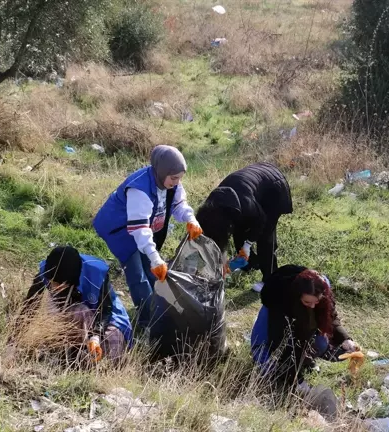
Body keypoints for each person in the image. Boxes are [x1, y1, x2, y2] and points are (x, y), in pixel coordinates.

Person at [93, 145, 202, 329]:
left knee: (152, 269)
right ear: (162, 171)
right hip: (120, 230)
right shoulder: (139, 189)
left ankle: (158, 307)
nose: (176, 182)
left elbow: (178, 204)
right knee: (137, 275)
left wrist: (191, 219)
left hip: (140, 228)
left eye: (179, 178)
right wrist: (155, 257)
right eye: (174, 178)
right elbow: (139, 229)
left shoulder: (169, 181)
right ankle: (147, 321)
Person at [250, 265, 358, 418]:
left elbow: (331, 318)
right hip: (272, 320)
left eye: (316, 302)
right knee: (268, 368)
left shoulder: (321, 292)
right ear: (298, 296)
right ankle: (282, 370)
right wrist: (297, 381)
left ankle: (303, 364)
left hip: (298, 315)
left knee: (320, 344)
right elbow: (282, 343)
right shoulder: (282, 302)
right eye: (308, 302)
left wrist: (346, 340)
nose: (313, 306)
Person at [17, 246, 132, 364]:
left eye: (58, 284)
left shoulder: (96, 273)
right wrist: (13, 343)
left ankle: (86, 359)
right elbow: (29, 306)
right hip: (77, 315)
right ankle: (72, 356)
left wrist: (96, 336)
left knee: (111, 351)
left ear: (71, 280)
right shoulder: (47, 271)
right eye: (51, 283)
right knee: (79, 311)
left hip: (108, 320)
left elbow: (106, 310)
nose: (53, 287)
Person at [196, 162, 292, 292]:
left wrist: (248, 245)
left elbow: (260, 221)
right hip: (253, 183)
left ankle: (269, 281)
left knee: (266, 237)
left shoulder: (246, 205)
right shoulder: (209, 209)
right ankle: (249, 264)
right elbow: (217, 235)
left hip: (273, 188)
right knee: (239, 232)